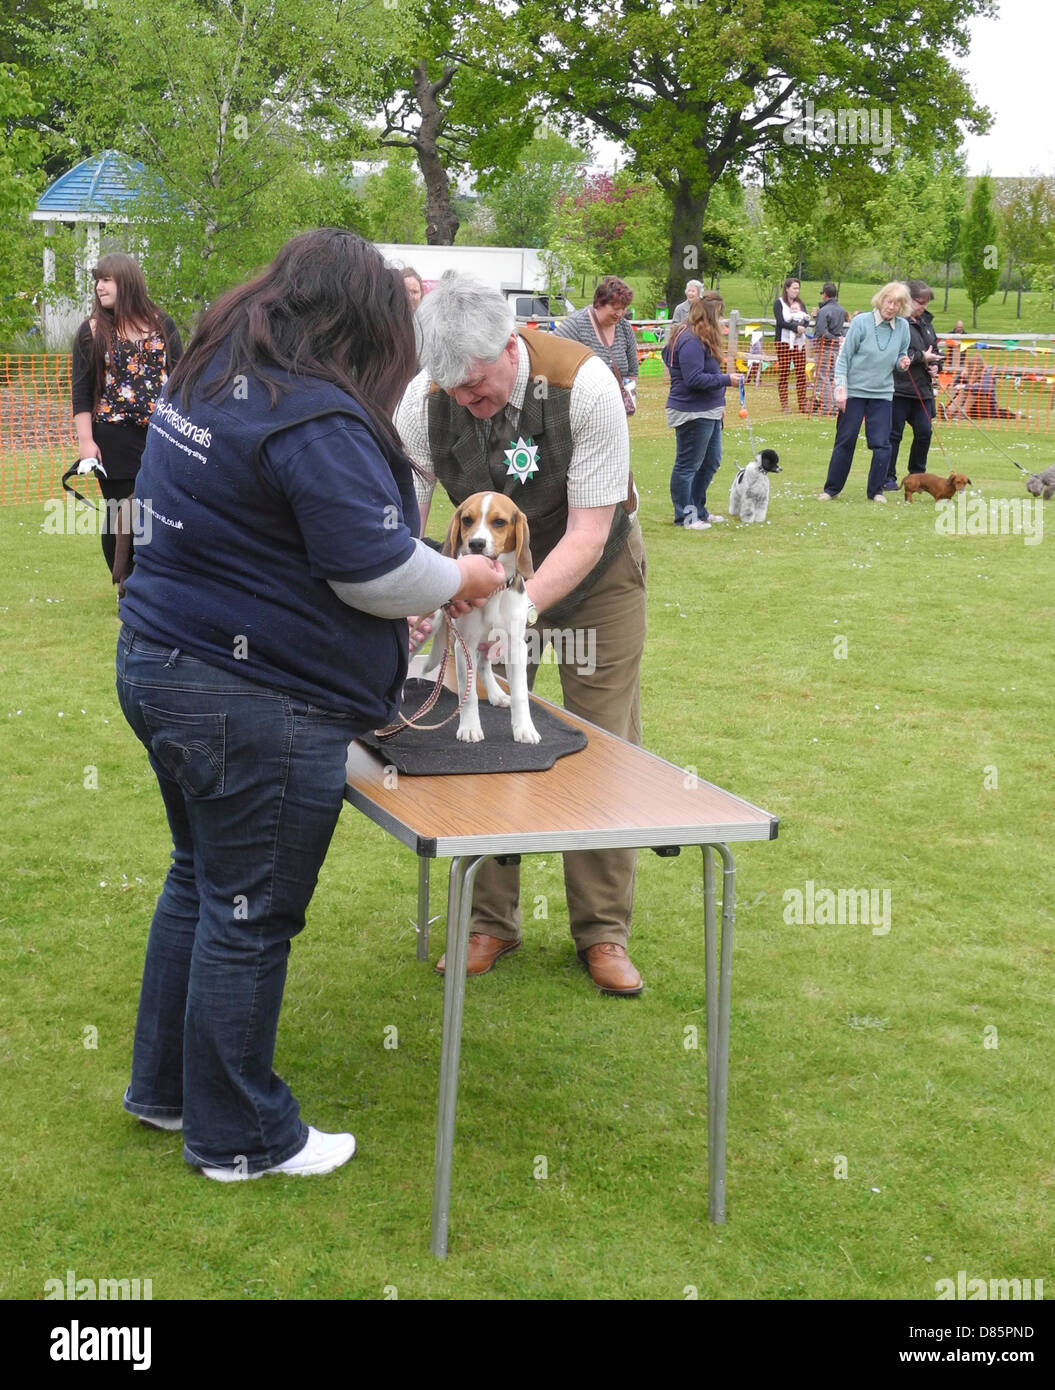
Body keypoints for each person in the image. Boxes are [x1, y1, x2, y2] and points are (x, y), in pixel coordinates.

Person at [114, 231, 507, 1181]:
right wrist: (461, 574)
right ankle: (241, 1136)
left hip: (161, 666)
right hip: (248, 703)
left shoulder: (214, 369)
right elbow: (373, 568)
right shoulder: (313, 416)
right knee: (248, 914)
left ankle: (167, 1094)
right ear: (356, 321)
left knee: (199, 883)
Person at [395, 273, 646, 995]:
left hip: (595, 575)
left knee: (600, 743)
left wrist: (518, 609)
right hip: (480, 577)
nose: (468, 404)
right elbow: (404, 520)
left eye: (479, 388)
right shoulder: (424, 401)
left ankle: (602, 931)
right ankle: (488, 922)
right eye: (456, 393)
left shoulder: (587, 386)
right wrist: (412, 597)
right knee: (484, 737)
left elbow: (591, 530)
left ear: (512, 345)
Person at [70, 254, 182, 582]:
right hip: (112, 438)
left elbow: (179, 381)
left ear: (127, 282)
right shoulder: (91, 331)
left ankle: (153, 581)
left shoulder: (164, 325)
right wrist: (86, 442)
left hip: (160, 435)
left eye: (106, 280)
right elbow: (81, 392)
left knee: (157, 511)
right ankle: (126, 584)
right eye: (97, 280)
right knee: (120, 512)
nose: (98, 286)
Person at [819, 281, 913, 502]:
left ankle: (876, 491)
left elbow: (900, 355)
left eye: (897, 305)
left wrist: (903, 362)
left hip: (882, 394)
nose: (891, 307)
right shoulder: (861, 323)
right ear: (881, 299)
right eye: (889, 301)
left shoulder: (903, 328)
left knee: (882, 445)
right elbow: (843, 360)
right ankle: (831, 489)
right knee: (846, 440)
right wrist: (840, 390)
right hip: (854, 393)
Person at [663, 290, 744, 529]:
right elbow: (694, 379)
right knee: (688, 465)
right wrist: (726, 380)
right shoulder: (689, 340)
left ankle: (699, 509)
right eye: (719, 315)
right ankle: (685, 516)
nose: (721, 320)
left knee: (711, 461)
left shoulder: (699, 337)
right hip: (692, 411)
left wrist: (720, 403)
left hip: (709, 410)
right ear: (708, 315)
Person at [885, 280, 942, 489]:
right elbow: (894, 353)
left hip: (923, 391)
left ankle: (917, 476)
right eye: (920, 302)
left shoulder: (927, 324)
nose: (923, 307)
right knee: (893, 435)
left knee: (924, 432)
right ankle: (888, 477)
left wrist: (936, 366)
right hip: (899, 389)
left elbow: (934, 350)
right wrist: (920, 357)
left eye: (926, 303)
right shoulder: (897, 323)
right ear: (908, 299)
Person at [554, 274, 639, 409]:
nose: (620, 313)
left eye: (624, 308)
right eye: (616, 308)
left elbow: (632, 371)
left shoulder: (625, 328)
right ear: (599, 303)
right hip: (579, 408)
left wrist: (628, 398)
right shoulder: (575, 326)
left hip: (615, 409)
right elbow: (552, 363)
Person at [773, 276, 810, 412]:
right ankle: (785, 404)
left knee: (800, 372)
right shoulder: (779, 303)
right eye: (794, 288)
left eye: (798, 288)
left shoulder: (801, 304)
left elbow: (806, 319)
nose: (796, 291)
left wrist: (802, 327)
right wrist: (795, 328)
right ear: (787, 289)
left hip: (799, 343)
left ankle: (803, 403)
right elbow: (781, 322)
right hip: (783, 342)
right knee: (784, 372)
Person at [811, 282, 846, 414]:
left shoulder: (824, 310)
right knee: (832, 377)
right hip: (836, 348)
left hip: (824, 348)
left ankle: (827, 407)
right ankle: (834, 405)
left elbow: (821, 332)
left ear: (825, 294)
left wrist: (831, 338)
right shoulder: (841, 310)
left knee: (822, 377)